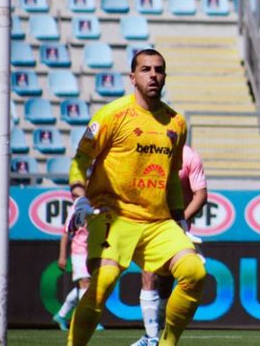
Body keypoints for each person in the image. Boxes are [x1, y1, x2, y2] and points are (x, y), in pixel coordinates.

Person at [66, 49, 206, 346]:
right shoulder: (112, 115)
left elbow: (171, 177)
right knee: (101, 285)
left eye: (159, 69)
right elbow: (80, 160)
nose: (153, 75)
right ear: (133, 77)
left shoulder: (176, 123)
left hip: (157, 221)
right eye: (145, 69)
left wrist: (179, 217)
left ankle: (166, 343)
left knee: (194, 272)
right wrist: (79, 196)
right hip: (113, 215)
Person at [131, 145, 209, 346]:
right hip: (151, 224)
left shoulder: (189, 156)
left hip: (176, 227)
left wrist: (180, 220)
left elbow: (201, 196)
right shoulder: (146, 151)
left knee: (165, 285)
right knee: (149, 274)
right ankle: (151, 337)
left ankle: (161, 335)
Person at [53, 207, 104, 332]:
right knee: (85, 284)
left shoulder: (101, 207)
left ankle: (61, 315)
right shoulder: (77, 209)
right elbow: (65, 233)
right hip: (79, 253)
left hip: (94, 252)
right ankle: (87, 322)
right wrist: (62, 256)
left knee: (85, 287)